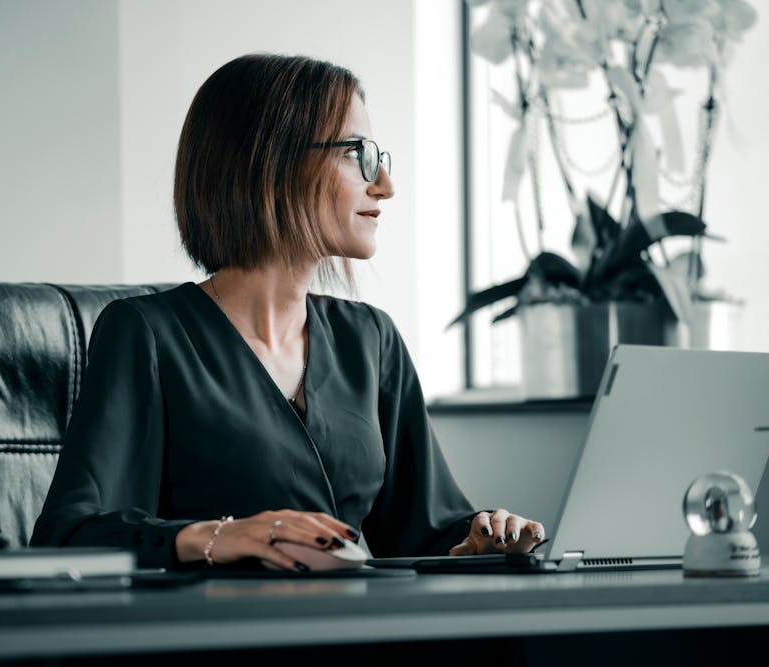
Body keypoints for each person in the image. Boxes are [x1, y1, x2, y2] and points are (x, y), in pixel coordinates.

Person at [30, 53, 545, 571]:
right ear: (270, 161)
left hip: (354, 630)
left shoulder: (370, 339)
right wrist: (222, 537)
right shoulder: (146, 334)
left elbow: (426, 532)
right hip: (218, 637)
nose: (384, 183)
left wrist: (481, 537)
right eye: (357, 153)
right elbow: (70, 535)